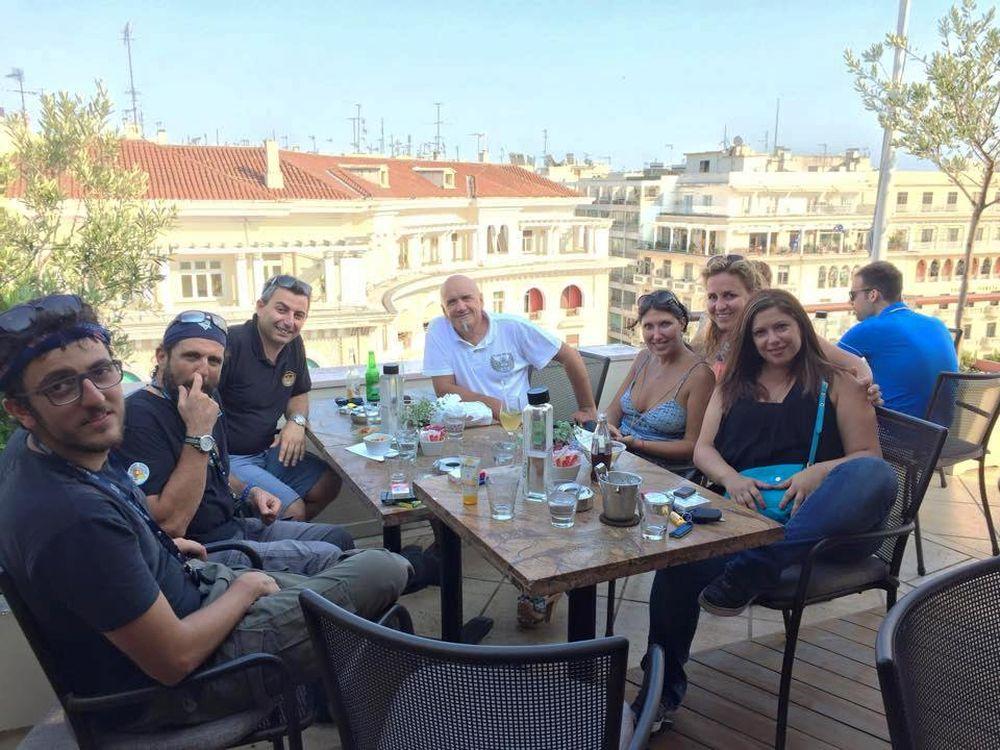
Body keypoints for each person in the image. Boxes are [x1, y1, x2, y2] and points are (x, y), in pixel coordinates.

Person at [0, 295, 410, 733]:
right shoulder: (75, 516)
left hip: (194, 586)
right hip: (183, 682)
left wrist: (161, 545)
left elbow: (128, 534)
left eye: (101, 371)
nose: (96, 398)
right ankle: (374, 713)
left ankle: (342, 696)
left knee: (347, 568)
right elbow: (173, 660)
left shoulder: (43, 452)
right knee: (384, 570)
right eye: (61, 387)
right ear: (21, 409)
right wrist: (245, 589)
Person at [634, 289, 898, 733]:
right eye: (761, 332)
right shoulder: (732, 384)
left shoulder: (837, 382)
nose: (773, 339)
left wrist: (818, 473)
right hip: (748, 522)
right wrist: (732, 479)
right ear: (749, 340)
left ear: (802, 329)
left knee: (877, 475)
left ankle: (759, 564)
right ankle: (659, 692)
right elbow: (703, 449)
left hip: (821, 530)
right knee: (676, 567)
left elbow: (868, 456)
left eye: (782, 327)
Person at [117, 311, 354, 574]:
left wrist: (251, 493)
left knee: (338, 538)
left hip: (234, 526)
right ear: (162, 356)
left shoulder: (207, 398)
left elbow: (215, 471)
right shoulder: (139, 417)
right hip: (202, 550)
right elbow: (169, 525)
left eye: (214, 361)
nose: (203, 370)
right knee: (330, 558)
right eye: (191, 356)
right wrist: (198, 432)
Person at [218, 275, 341, 522]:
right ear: (260, 306)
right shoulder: (231, 344)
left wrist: (296, 422)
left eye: (299, 315)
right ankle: (276, 540)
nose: (289, 322)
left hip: (268, 449)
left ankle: (276, 536)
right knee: (293, 510)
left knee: (328, 483)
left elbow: (298, 392)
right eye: (282, 310)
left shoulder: (293, 345)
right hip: (231, 460)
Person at [696, 254, 882, 399]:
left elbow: (856, 365)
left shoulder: (777, 338)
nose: (719, 306)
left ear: (754, 295)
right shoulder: (711, 336)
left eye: (729, 295)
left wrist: (865, 391)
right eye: (712, 297)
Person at [423, 274, 598, 424]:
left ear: (481, 301)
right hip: (470, 426)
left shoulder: (512, 327)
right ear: (444, 311)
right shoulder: (438, 330)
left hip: (518, 425)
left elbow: (570, 355)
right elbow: (443, 388)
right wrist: (492, 405)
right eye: (452, 302)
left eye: (466, 298)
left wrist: (587, 409)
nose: (461, 307)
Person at [605, 290, 713, 470]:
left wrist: (638, 444)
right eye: (648, 326)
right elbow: (614, 409)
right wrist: (607, 426)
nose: (656, 335)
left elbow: (693, 446)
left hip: (665, 471)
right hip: (621, 459)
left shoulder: (699, 375)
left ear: (682, 323)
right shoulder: (643, 358)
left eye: (665, 324)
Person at [841, 261, 958, 418]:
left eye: (853, 295)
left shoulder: (873, 327)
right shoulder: (937, 324)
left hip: (896, 428)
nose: (850, 302)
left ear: (873, 295)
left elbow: (820, 362)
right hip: (943, 430)